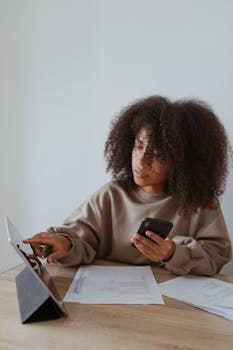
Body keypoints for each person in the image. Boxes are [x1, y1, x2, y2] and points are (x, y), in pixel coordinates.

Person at [24, 96, 232, 276]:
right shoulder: (111, 195)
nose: (141, 162)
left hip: (173, 310)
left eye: (157, 155)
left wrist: (172, 253)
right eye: (138, 146)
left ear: (183, 159)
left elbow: (217, 256)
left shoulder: (199, 202)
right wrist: (64, 242)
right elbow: (78, 236)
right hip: (111, 304)